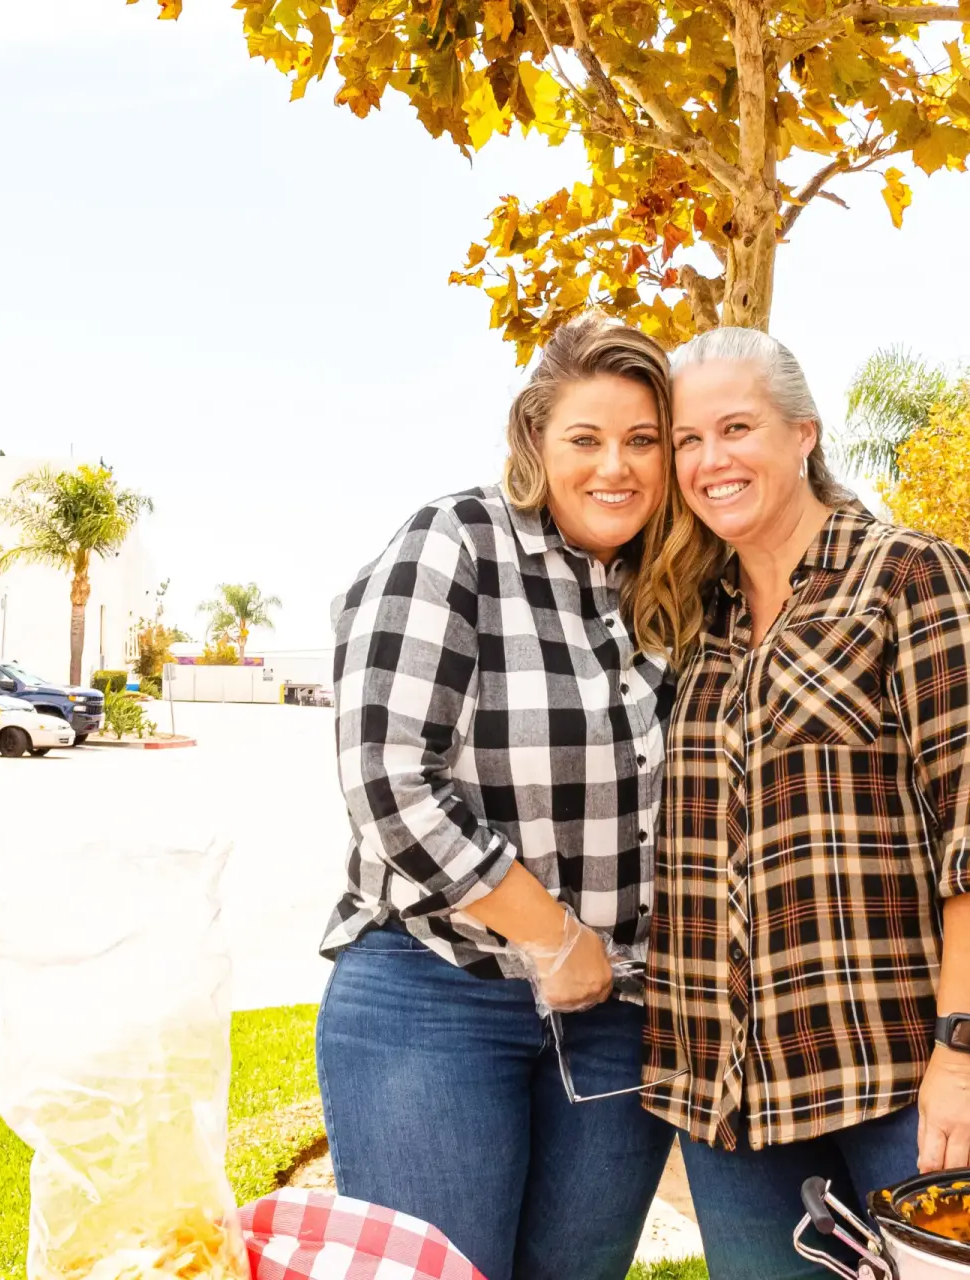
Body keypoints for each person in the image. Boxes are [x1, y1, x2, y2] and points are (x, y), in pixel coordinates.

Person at [641, 327, 970, 1280]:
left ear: (804, 433)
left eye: (737, 427)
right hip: (742, 1099)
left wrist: (965, 1057)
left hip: (918, 1073)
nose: (710, 460)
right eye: (685, 441)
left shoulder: (915, 579)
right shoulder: (695, 629)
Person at [316, 315, 708, 1280]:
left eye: (643, 440)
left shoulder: (670, 584)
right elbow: (389, 781)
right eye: (586, 438)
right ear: (535, 441)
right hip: (435, 990)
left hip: (619, 1016)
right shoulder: (453, 545)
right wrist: (554, 939)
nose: (615, 466)